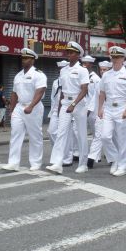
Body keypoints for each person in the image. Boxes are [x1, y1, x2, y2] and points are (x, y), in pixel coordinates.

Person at [47, 41, 90, 174]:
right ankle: (58, 162)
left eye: (72, 53)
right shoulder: (64, 70)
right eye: (68, 52)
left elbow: (84, 90)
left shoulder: (82, 70)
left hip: (79, 104)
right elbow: (62, 91)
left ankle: (83, 164)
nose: (69, 55)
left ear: (78, 55)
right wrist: (61, 106)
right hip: (65, 103)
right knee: (61, 133)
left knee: (81, 135)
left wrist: (73, 104)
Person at [3, 48, 47, 171]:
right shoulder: (18, 75)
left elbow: (40, 91)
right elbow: (14, 94)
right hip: (19, 107)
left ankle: (36, 162)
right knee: (15, 134)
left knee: (35, 136)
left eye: (26, 58)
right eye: (22, 58)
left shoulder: (39, 74)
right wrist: (12, 110)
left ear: (33, 60)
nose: (23, 60)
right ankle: (13, 163)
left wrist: (31, 106)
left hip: (33, 107)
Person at [97, 46, 126, 176]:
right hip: (109, 108)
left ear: (123, 58)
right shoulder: (106, 75)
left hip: (122, 108)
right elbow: (102, 93)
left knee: (123, 139)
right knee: (105, 136)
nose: (115, 59)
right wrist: (100, 108)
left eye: (117, 57)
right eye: (113, 57)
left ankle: (122, 166)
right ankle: (115, 159)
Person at [87, 60, 112, 168]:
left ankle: (113, 157)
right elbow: (95, 99)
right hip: (101, 113)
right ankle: (91, 158)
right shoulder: (99, 83)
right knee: (98, 135)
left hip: (114, 112)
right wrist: (91, 110)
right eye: (101, 70)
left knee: (111, 138)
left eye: (105, 70)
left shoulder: (114, 81)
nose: (102, 72)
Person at [48, 60, 68, 146]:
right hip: (56, 110)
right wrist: (51, 112)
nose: (61, 71)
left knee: (66, 134)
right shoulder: (55, 82)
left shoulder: (70, 80)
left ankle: (64, 153)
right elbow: (53, 97)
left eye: (63, 69)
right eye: (60, 69)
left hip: (66, 108)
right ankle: (58, 150)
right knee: (51, 132)